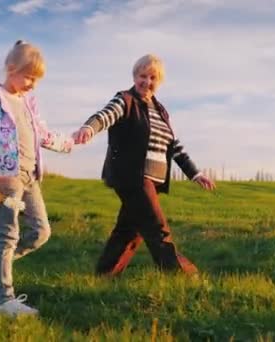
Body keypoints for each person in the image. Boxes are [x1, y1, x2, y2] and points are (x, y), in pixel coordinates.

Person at [73, 54, 215, 277]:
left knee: (129, 230)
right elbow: (106, 115)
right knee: (157, 228)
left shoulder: (160, 110)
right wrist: (89, 128)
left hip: (152, 180)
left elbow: (173, 146)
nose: (147, 82)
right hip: (132, 177)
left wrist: (195, 174)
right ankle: (182, 275)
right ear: (134, 75)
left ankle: (104, 275)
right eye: (142, 76)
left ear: (159, 82)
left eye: (153, 78)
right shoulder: (125, 100)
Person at [0, 40, 75, 317]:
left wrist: (70, 142)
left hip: (30, 178)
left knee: (41, 232)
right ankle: (5, 300)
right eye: (29, 77)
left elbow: (42, 133)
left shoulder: (29, 102)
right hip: (5, 180)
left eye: (36, 79)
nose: (33, 84)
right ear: (11, 68)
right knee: (7, 236)